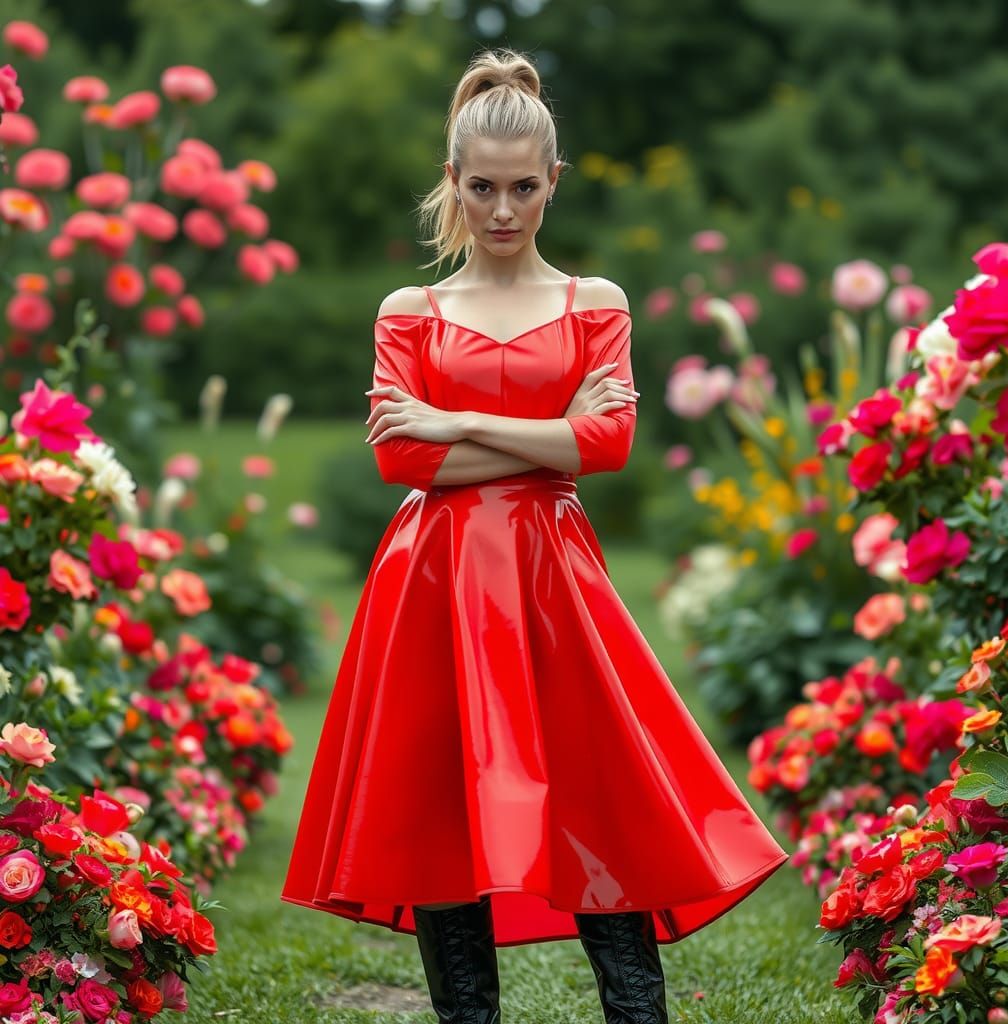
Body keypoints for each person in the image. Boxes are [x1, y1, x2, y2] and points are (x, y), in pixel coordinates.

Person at [280, 46, 790, 1024]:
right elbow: (405, 463)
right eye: (482, 188)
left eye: (523, 188)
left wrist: (454, 421)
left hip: (554, 578)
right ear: (453, 181)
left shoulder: (593, 302)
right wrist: (542, 435)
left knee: (596, 787)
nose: (503, 210)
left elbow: (607, 445)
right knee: (442, 801)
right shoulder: (411, 311)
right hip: (434, 580)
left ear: (554, 180)